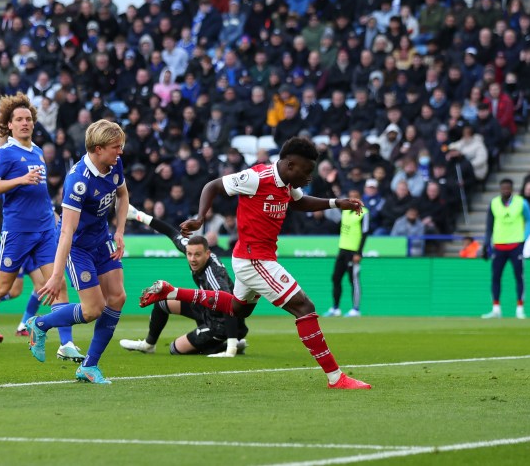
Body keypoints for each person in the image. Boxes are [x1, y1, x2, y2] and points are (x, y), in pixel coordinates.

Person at [137, 137, 371, 389]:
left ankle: (171, 291)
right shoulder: (256, 178)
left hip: (252, 257)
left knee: (238, 310)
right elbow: (213, 185)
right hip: (254, 259)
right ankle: (336, 377)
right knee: (305, 306)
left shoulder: (287, 183)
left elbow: (300, 202)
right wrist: (200, 217)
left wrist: (337, 203)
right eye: (307, 171)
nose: (310, 176)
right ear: (290, 165)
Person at [0, 94, 83, 362]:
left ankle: (66, 343)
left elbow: (40, 190)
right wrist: (21, 179)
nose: (25, 123)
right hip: (18, 231)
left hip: (45, 230)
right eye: (19, 119)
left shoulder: (38, 152)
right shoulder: (5, 154)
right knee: (2, 288)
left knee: (58, 285)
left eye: (28, 119)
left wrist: (53, 213)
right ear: (9, 125)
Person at [26, 120, 130, 384]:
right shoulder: (78, 182)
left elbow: (123, 195)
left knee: (117, 297)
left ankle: (89, 366)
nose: (120, 152)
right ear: (97, 149)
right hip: (79, 249)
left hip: (102, 240)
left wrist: (119, 231)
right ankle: (40, 324)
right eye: (115, 147)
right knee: (93, 309)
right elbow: (66, 232)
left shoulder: (114, 163)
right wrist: (56, 275)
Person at [120, 206, 247, 357]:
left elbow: (229, 305)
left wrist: (230, 349)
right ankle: (148, 345)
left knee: (175, 349)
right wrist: (137, 215)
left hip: (221, 324)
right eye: (189, 254)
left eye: (197, 255)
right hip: (206, 308)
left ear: (207, 254)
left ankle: (229, 344)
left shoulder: (214, 274)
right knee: (161, 301)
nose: (192, 259)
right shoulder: (192, 249)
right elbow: (171, 232)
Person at [482, 178, 530, 320]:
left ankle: (520, 309)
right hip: (498, 246)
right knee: (496, 277)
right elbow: (489, 226)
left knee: (519, 277)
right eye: (503, 188)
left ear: (512, 188)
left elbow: (529, 220)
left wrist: (524, 238)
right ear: (500, 189)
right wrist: (486, 244)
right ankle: (496, 308)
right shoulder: (494, 203)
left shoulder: (521, 203)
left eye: (508, 188)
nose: (505, 190)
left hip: (516, 245)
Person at [325, 188, 369, 318]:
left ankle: (356, 309)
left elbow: (365, 234)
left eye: (355, 196)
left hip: (353, 251)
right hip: (342, 249)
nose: (353, 200)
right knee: (336, 278)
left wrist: (359, 253)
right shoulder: (344, 212)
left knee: (353, 280)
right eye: (351, 197)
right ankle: (336, 308)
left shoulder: (364, 213)